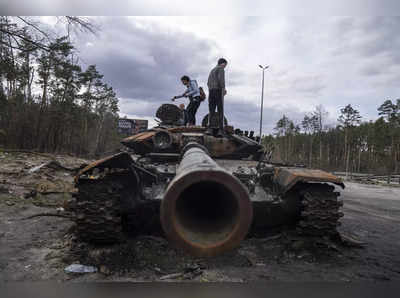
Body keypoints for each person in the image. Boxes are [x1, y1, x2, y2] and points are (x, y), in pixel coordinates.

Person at [206, 58, 227, 137]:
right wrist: (223, 88)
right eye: (225, 65)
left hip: (211, 91)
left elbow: (207, 83)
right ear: (223, 63)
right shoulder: (220, 68)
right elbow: (221, 79)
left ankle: (210, 129)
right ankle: (220, 130)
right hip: (218, 90)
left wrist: (211, 89)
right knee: (220, 110)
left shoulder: (212, 70)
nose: (225, 67)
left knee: (211, 110)